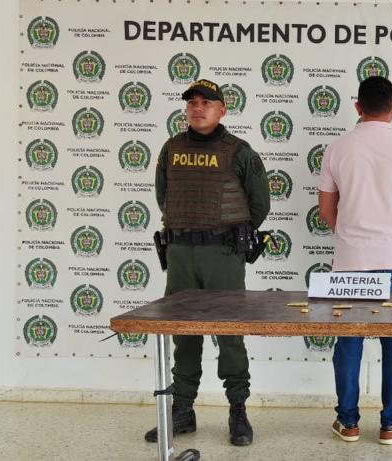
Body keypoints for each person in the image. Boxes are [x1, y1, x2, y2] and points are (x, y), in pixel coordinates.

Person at [145, 79, 270, 446]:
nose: (198, 108)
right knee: (184, 334)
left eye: (206, 102)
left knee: (229, 334)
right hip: (181, 254)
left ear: (222, 110)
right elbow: (163, 197)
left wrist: (227, 235)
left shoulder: (240, 152)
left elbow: (259, 205)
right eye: (192, 102)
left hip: (223, 255)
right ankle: (182, 411)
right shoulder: (171, 149)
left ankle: (238, 411)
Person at [318, 76, 392, 445]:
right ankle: (391, 425)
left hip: (349, 260)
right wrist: (391, 240)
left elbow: (326, 211)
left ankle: (348, 423)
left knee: (348, 343)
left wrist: (353, 238)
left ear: (357, 107)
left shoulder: (336, 149)